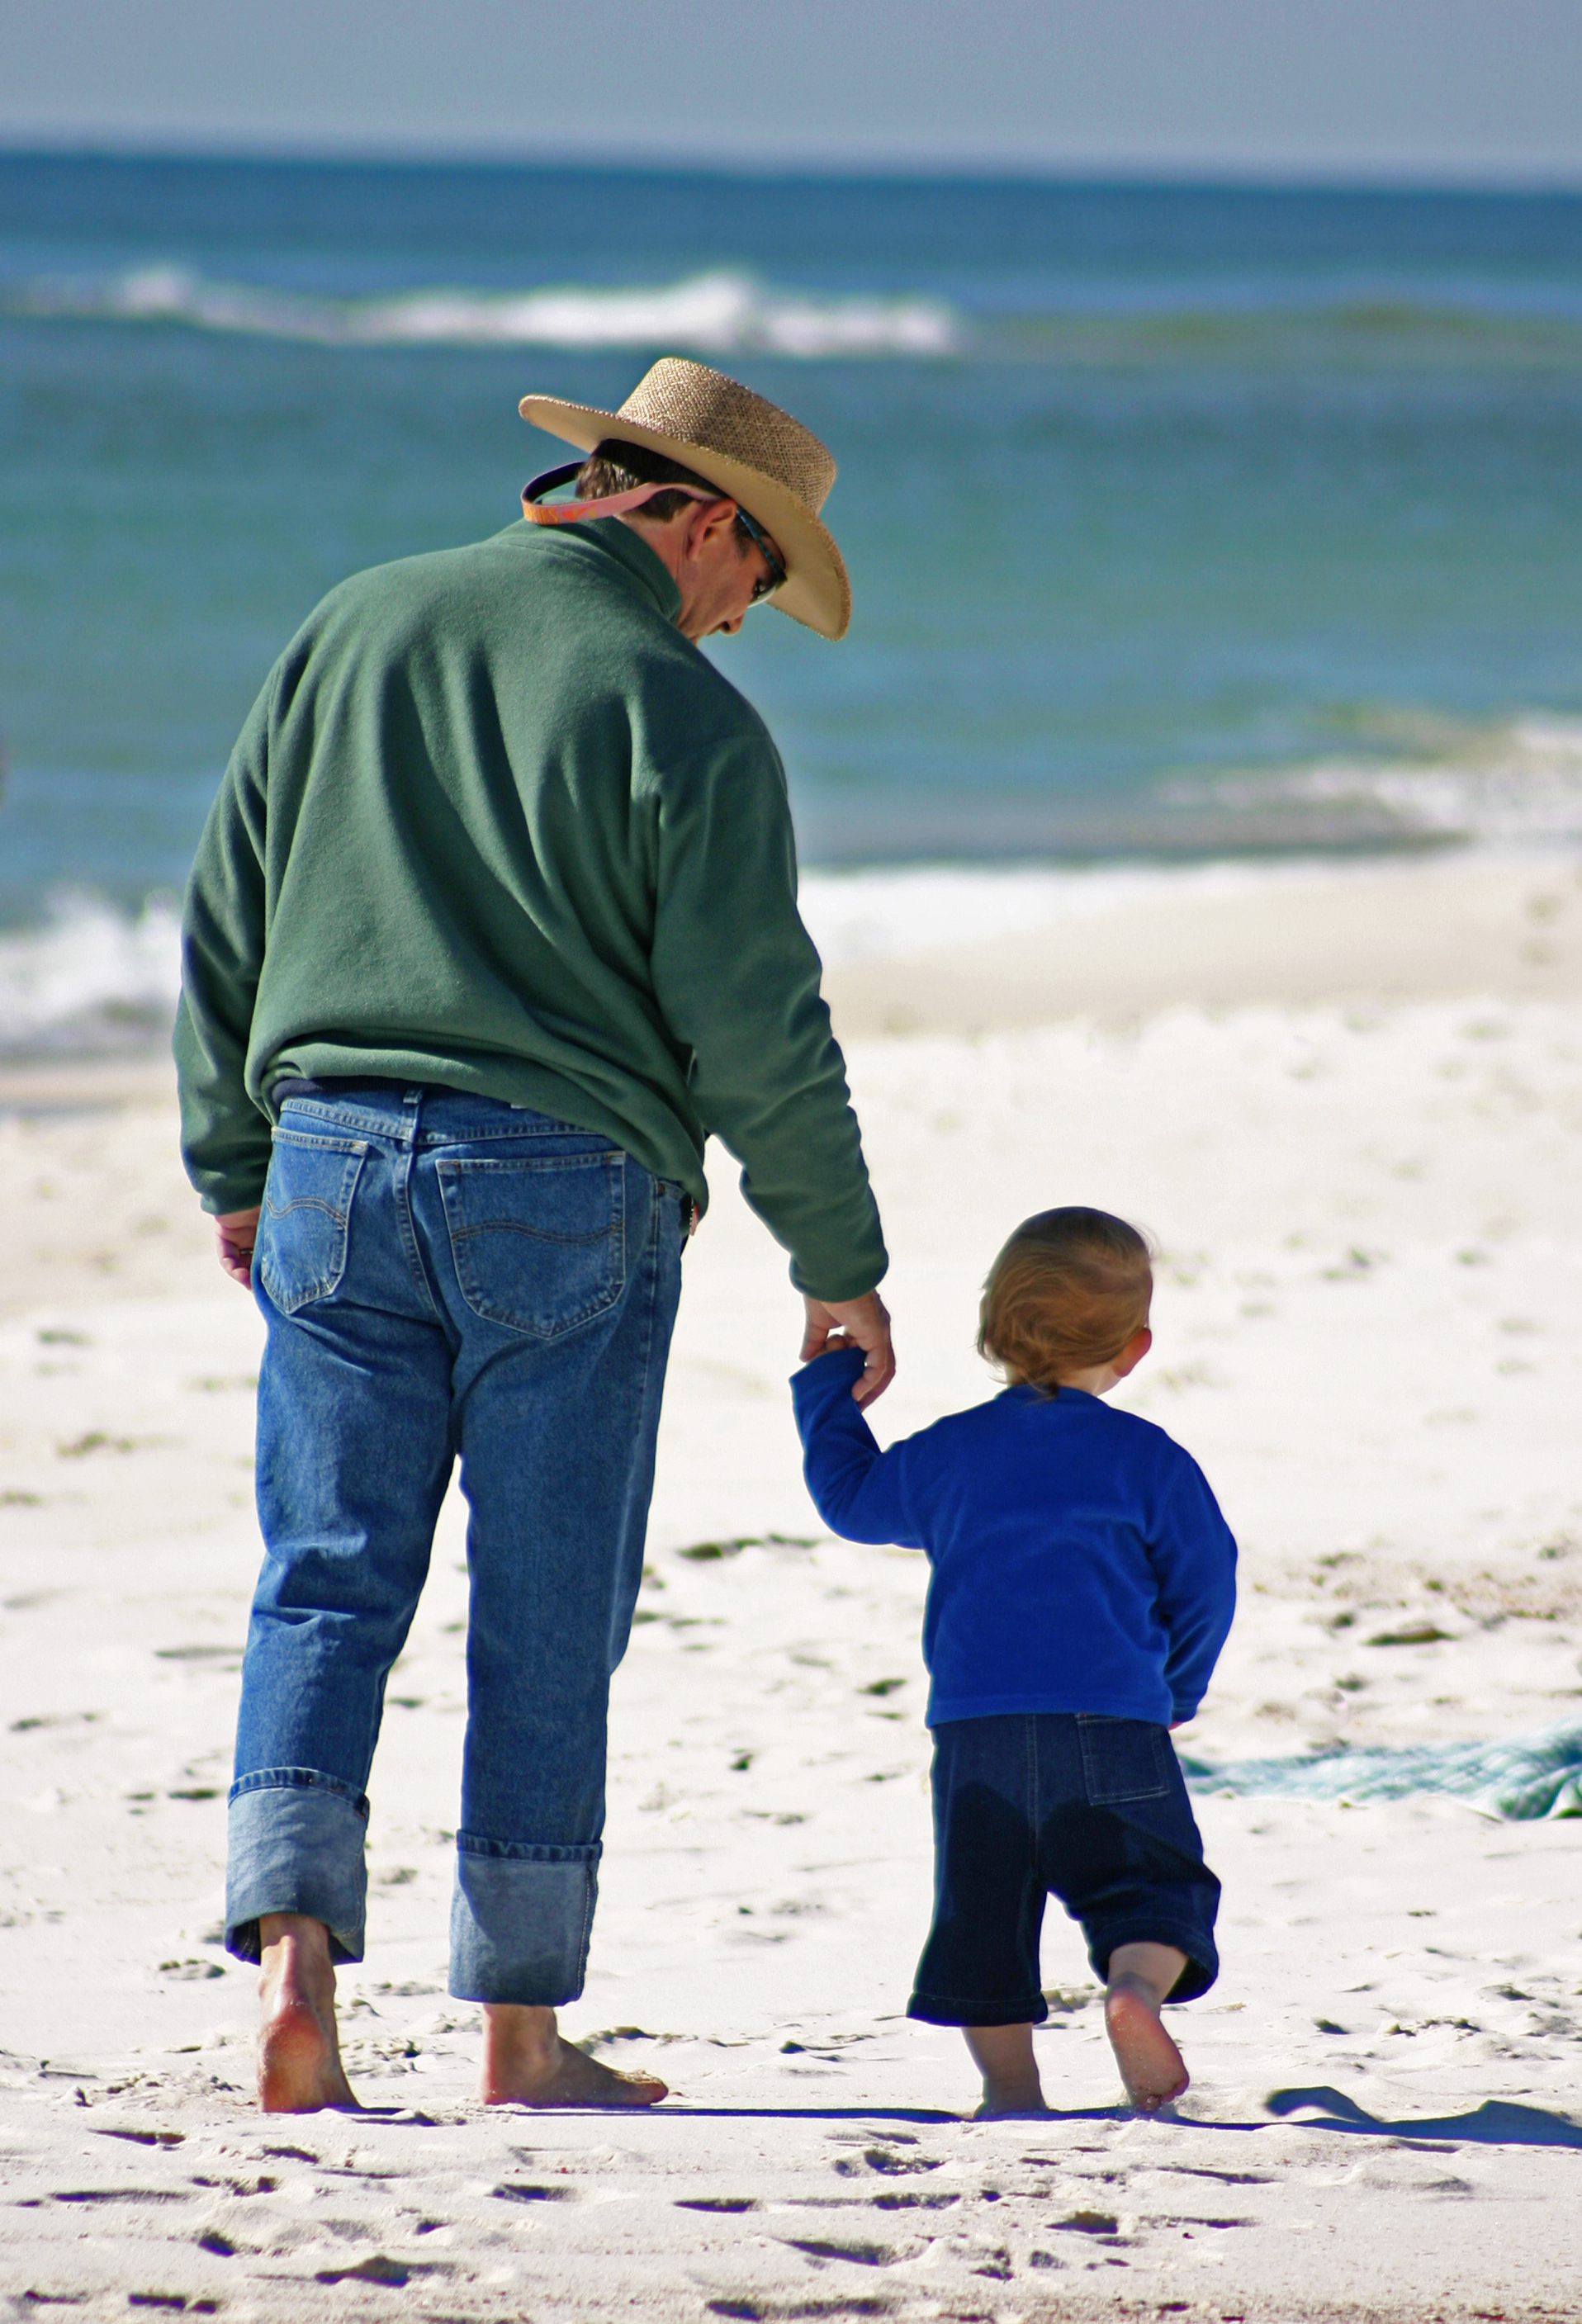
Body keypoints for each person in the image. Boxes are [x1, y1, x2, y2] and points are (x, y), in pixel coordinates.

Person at [174, 357, 894, 2114]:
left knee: (326, 1575)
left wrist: (231, 1157)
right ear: (702, 522)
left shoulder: (358, 621)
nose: (741, 621)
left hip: (332, 1162)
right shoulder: (683, 712)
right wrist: (838, 1257)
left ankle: (293, 1974)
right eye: (755, 580)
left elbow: (228, 901)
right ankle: (516, 2029)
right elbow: (752, 1023)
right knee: (548, 1608)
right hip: (565, 1189)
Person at [792, 1206, 1235, 2117]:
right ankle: (1133, 1994)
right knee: (1150, 1889)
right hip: (1113, 1723)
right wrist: (1176, 1684)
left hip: (976, 1732)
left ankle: (1010, 2089)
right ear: (1136, 1345)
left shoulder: (951, 1452)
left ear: (992, 1326)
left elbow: (849, 1501)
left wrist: (827, 1389)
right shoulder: (1148, 1460)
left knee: (980, 1918)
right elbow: (1205, 1580)